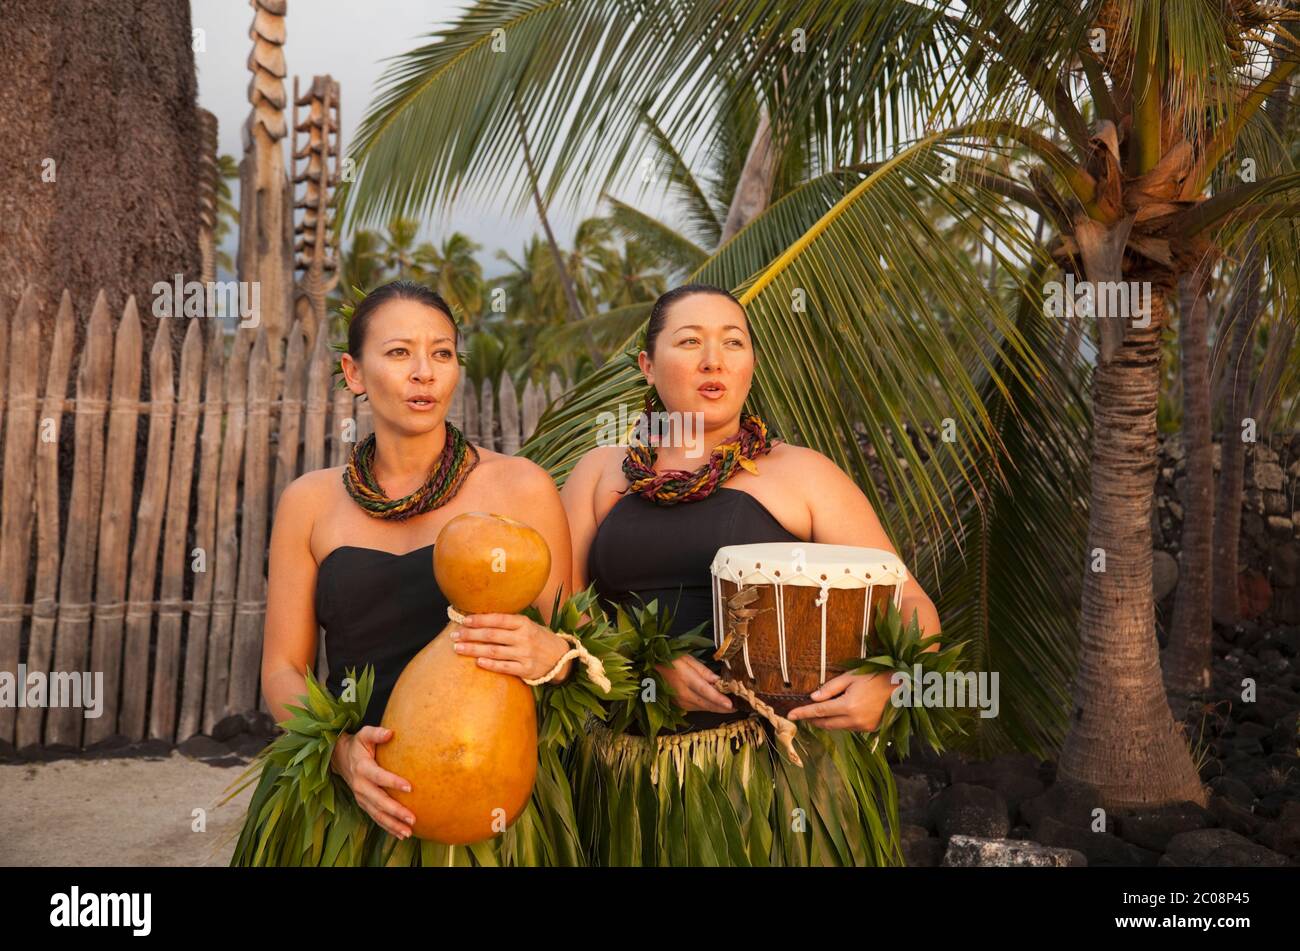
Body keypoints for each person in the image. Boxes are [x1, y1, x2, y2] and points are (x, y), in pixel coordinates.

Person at [228, 280, 623, 866]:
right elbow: (285, 668)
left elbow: (578, 648)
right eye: (398, 353)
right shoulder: (309, 502)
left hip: (486, 800)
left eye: (441, 353)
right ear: (353, 372)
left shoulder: (518, 488)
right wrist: (339, 754)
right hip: (342, 806)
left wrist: (554, 655)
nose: (424, 372)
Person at [560, 282, 942, 866]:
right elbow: (557, 614)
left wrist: (892, 683)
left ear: (750, 364)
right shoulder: (598, 472)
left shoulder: (802, 474)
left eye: (732, 342)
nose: (713, 359)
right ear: (647, 365)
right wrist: (642, 664)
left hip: (776, 778)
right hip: (630, 779)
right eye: (689, 341)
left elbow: (909, 600)